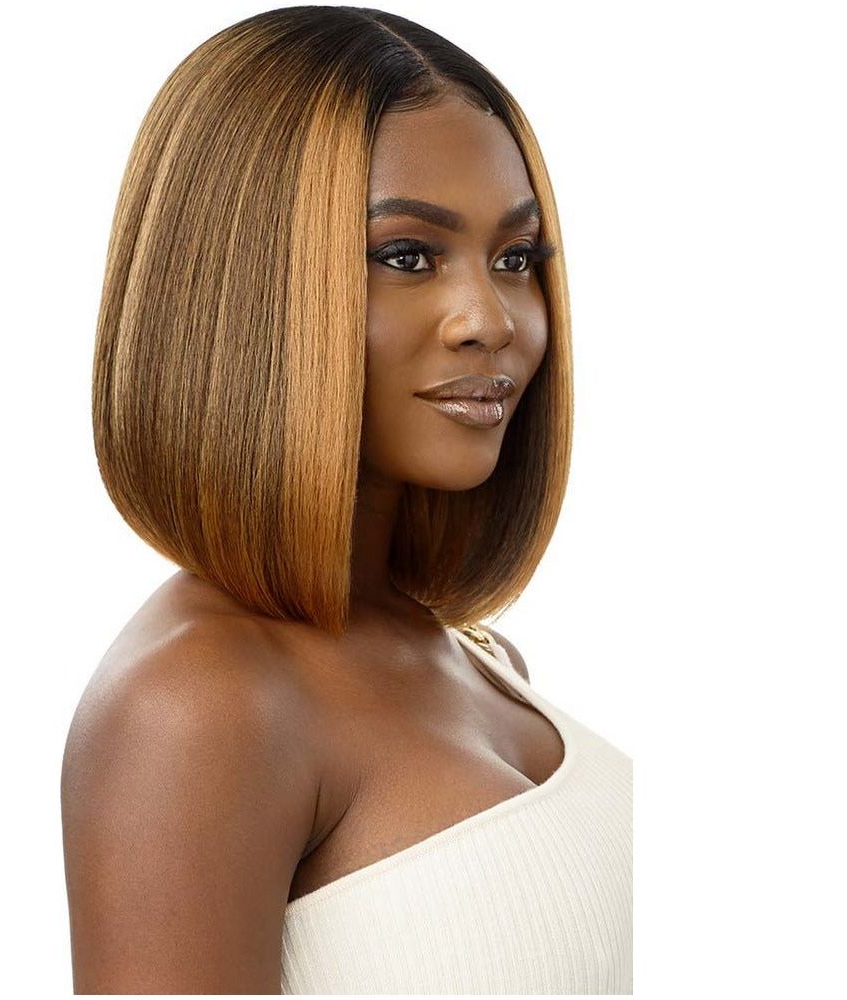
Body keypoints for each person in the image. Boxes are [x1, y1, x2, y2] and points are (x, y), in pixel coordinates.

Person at [62, 5, 632, 994]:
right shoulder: (197, 705)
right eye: (407, 256)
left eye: (515, 258)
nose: (491, 319)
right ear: (244, 289)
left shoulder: (477, 658)